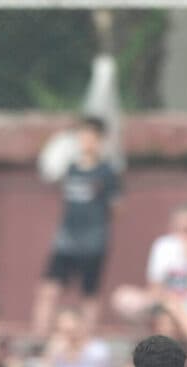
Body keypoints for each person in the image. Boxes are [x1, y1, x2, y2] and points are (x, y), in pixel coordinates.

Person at [32, 117, 121, 336]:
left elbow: (117, 208)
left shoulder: (107, 173)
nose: (87, 141)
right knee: (49, 290)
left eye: (92, 137)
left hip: (93, 241)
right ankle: (39, 338)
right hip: (66, 239)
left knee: (89, 294)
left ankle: (86, 340)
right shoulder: (69, 168)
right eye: (83, 136)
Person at [111, 206, 187, 342]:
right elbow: (154, 289)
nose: (186, 235)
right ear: (172, 227)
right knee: (123, 297)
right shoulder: (163, 246)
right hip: (165, 302)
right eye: (181, 229)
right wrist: (172, 303)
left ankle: (160, 348)